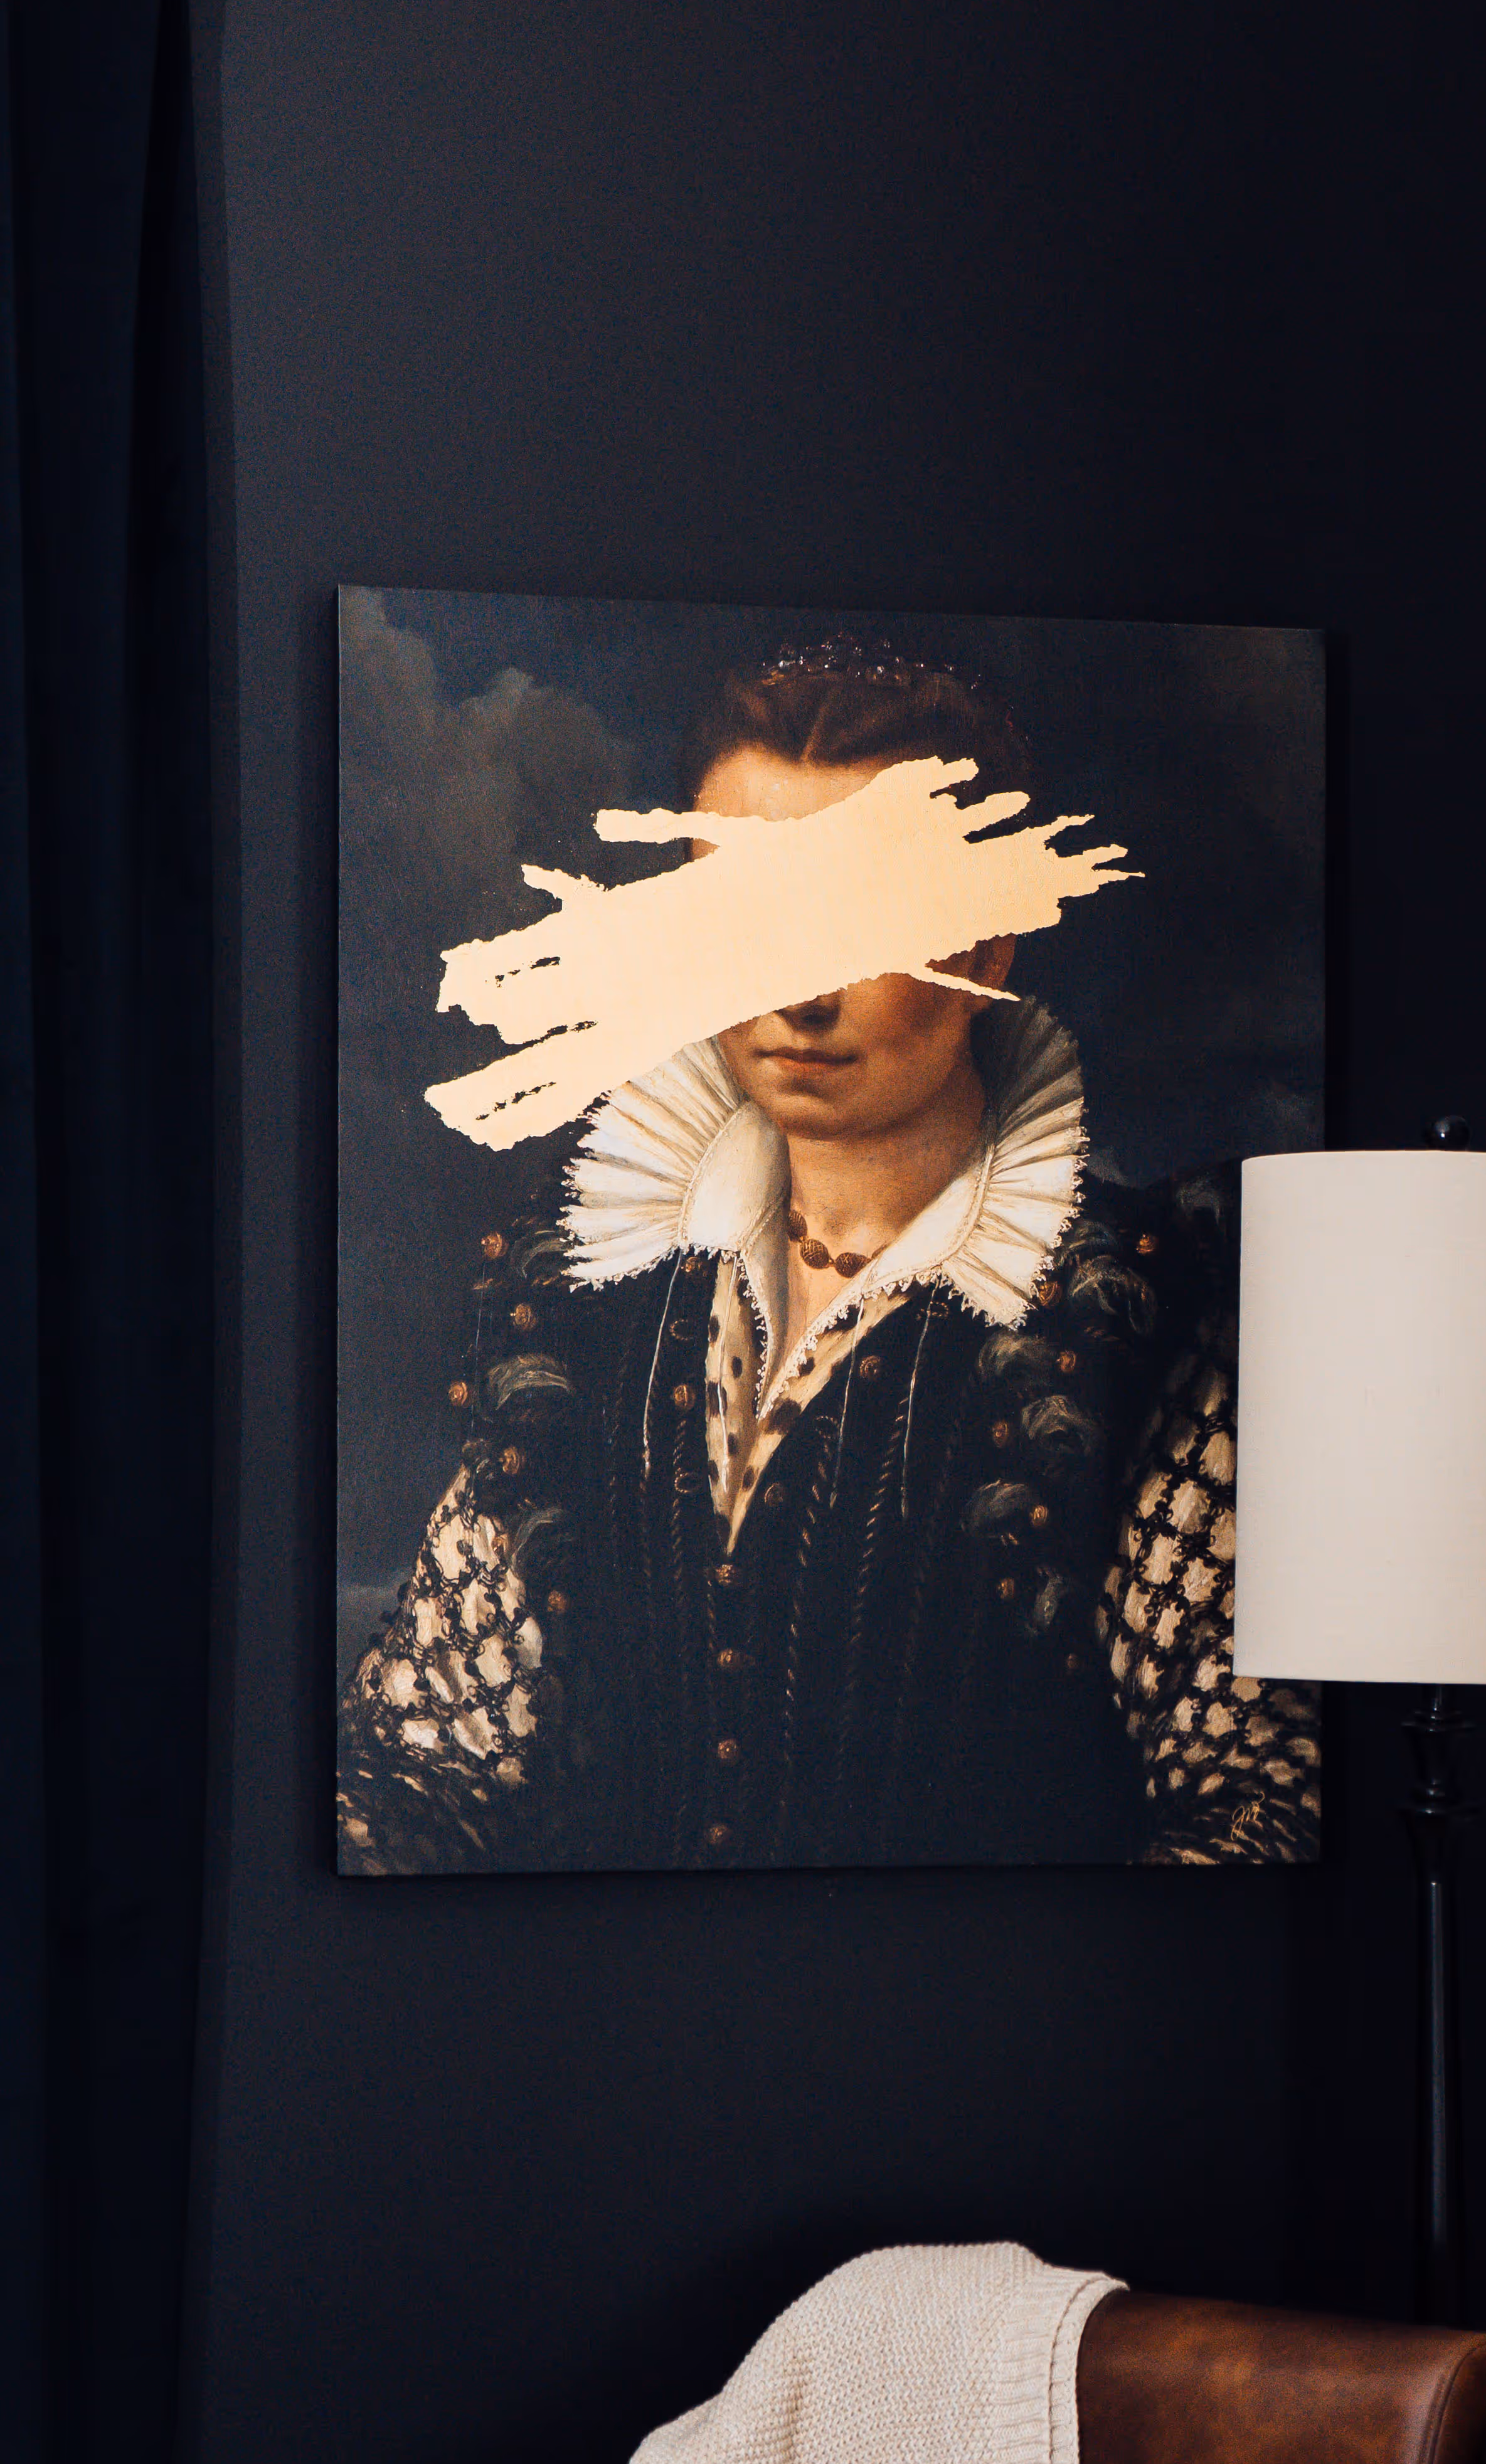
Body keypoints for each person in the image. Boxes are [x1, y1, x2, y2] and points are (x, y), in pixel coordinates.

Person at [338, 642, 1319, 1873]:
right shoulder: (592, 1301)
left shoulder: (1135, 1319)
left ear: (985, 955)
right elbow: (429, 1752)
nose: (796, 994)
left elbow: (1258, 1809)